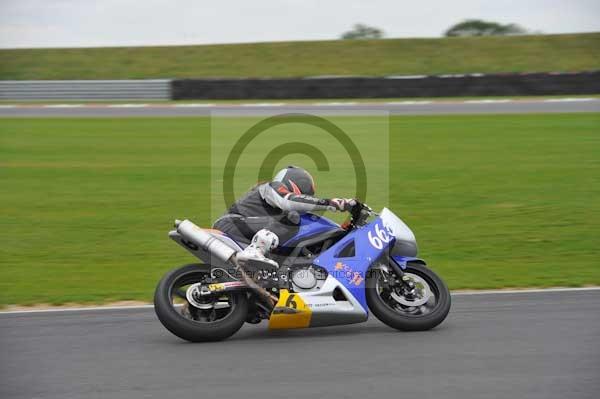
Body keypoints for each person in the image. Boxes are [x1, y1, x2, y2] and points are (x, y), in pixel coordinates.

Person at [213, 165, 356, 269]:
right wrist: (332, 203)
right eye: (306, 193)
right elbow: (288, 201)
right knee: (292, 218)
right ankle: (254, 251)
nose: (306, 197)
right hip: (232, 224)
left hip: (244, 228)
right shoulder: (270, 187)